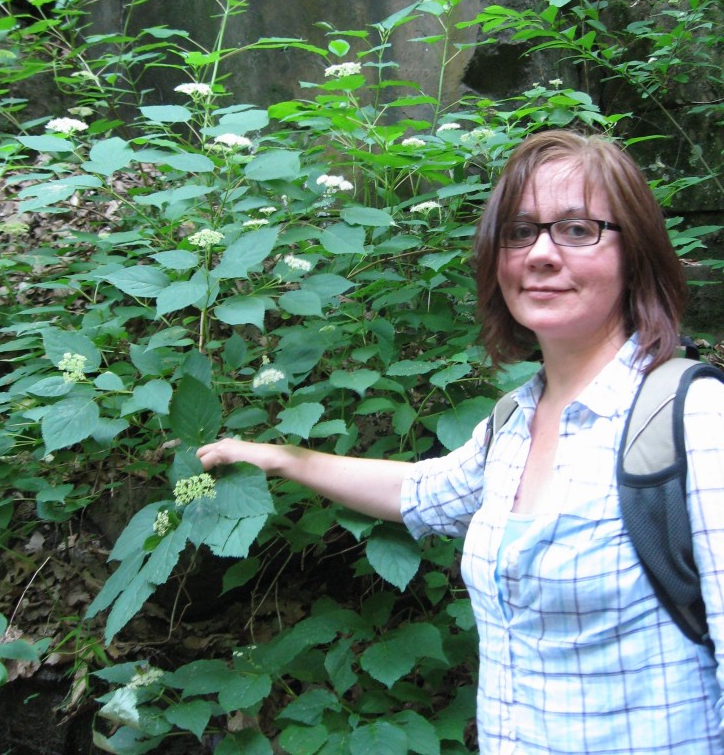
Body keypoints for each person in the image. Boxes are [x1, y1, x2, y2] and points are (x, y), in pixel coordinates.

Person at [197, 128, 724, 754]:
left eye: (578, 229)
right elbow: (421, 491)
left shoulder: (693, 421)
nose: (541, 254)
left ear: (634, 254)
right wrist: (281, 457)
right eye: (519, 231)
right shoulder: (513, 424)